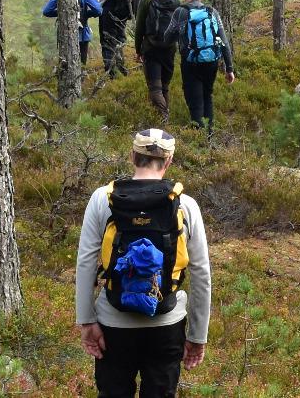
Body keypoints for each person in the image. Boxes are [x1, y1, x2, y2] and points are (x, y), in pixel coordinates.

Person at [75, 129, 212, 398]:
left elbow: (85, 263)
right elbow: (201, 274)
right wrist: (197, 335)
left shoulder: (102, 198)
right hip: (167, 325)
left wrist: (86, 320)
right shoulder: (186, 204)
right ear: (169, 161)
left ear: (132, 156)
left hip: (113, 323)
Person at [165, 0, 235, 131]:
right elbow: (223, 41)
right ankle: (209, 135)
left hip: (190, 62)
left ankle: (198, 137)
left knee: (195, 100)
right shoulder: (212, 12)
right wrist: (229, 68)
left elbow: (167, 37)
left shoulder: (180, 12)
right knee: (207, 96)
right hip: (211, 61)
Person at [132, 0, 181, 121]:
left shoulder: (146, 0)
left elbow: (139, 27)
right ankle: (163, 120)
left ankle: (163, 118)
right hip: (170, 49)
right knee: (164, 87)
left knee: (155, 88)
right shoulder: (177, 1)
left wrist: (138, 50)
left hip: (151, 48)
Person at [43, 0, 105, 66]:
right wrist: (86, 14)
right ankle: (81, 80)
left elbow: (46, 11)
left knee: (66, 64)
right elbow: (98, 10)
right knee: (81, 64)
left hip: (65, 34)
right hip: (82, 34)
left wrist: (62, 14)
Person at [96, 0, 132, 79]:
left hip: (108, 14)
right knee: (119, 41)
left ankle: (111, 74)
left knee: (107, 42)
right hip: (121, 14)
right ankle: (121, 70)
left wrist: (97, 7)